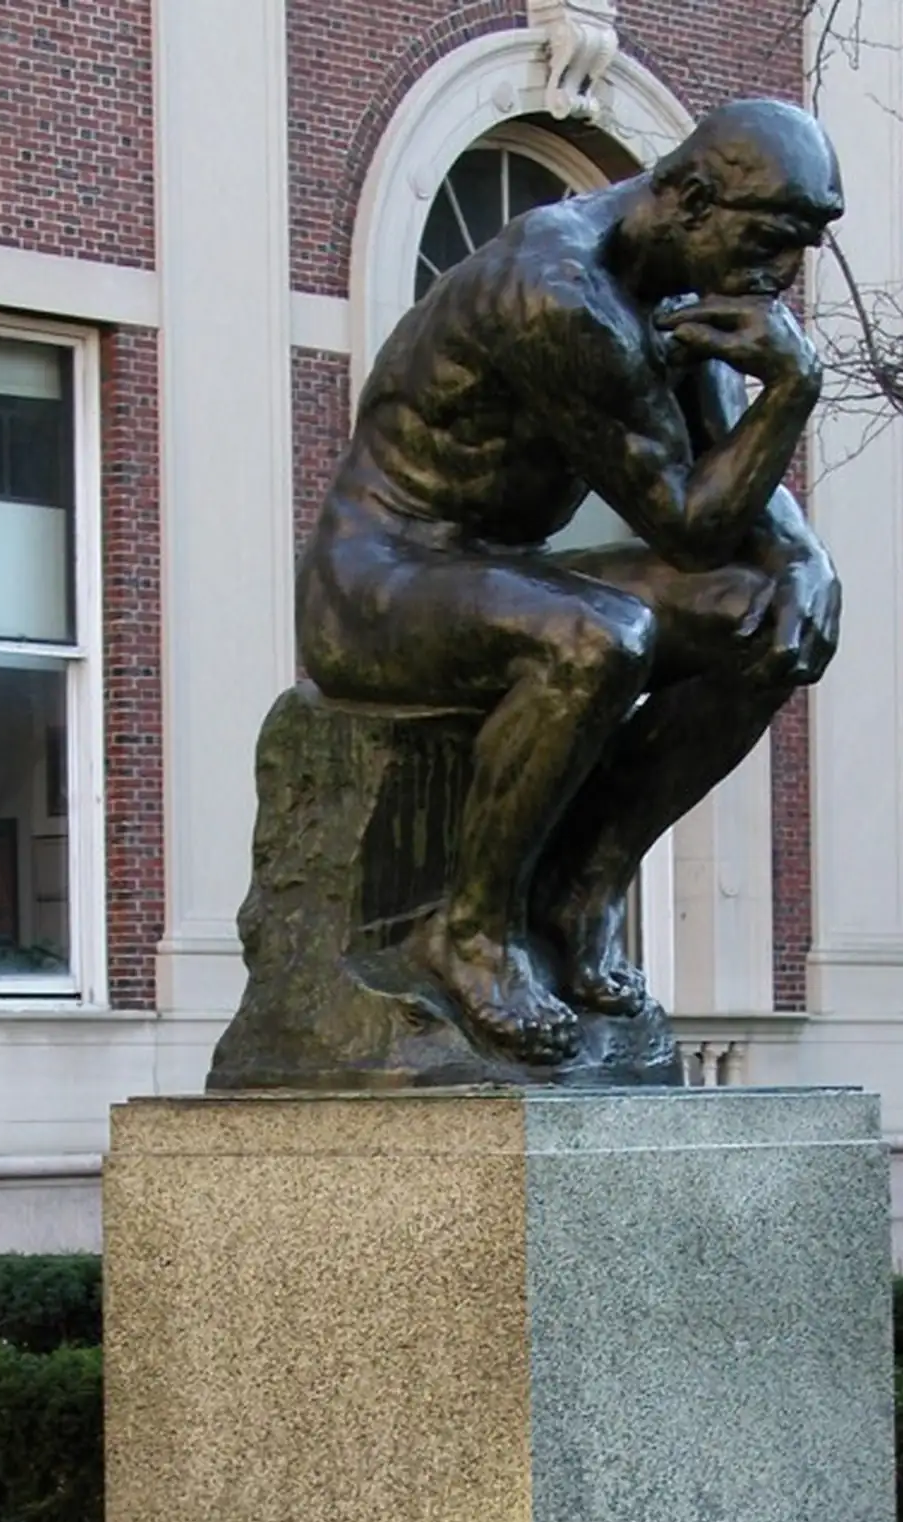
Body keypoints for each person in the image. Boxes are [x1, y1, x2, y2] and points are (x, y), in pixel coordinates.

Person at [296, 97, 844, 1065]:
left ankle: (581, 883)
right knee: (598, 637)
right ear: (690, 198)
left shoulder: (683, 284)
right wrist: (794, 391)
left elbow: (736, 493)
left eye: (798, 246)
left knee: (771, 617)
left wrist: (806, 562)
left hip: (490, 571)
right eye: (768, 238)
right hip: (374, 580)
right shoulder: (558, 289)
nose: (782, 274)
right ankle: (469, 932)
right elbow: (687, 522)